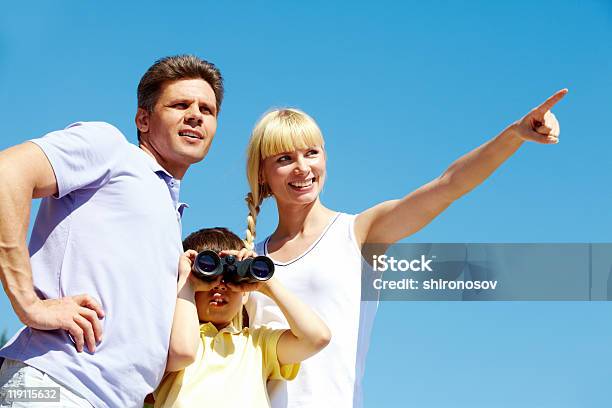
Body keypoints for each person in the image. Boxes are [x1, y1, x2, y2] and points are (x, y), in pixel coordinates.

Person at [242, 89, 568, 407]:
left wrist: (515, 135)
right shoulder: (249, 259)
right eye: (285, 158)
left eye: (311, 153)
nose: (302, 167)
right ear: (262, 173)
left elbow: (448, 186)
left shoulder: (359, 233)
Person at [0, 55, 223, 408]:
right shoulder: (111, 149)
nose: (195, 114)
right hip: (56, 385)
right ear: (143, 119)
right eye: (180, 104)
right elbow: (7, 173)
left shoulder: (170, 215)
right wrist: (28, 304)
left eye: (207, 110)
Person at [152, 227, 330, 408]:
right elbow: (183, 352)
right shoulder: (167, 341)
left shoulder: (257, 344)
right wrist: (186, 282)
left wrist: (267, 284)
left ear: (245, 295)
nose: (220, 286)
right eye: (207, 274)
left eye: (231, 277)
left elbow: (316, 338)